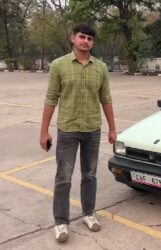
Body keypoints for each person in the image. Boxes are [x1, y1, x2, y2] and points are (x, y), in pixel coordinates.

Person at [39, 23, 116, 242]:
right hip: (68, 130)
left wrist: (112, 128)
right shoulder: (59, 65)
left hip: (92, 129)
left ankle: (89, 213)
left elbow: (106, 99)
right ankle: (61, 222)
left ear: (93, 43)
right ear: (73, 38)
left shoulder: (100, 67)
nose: (86, 41)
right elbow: (51, 98)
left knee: (89, 175)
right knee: (63, 177)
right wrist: (44, 131)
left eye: (90, 39)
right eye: (82, 37)